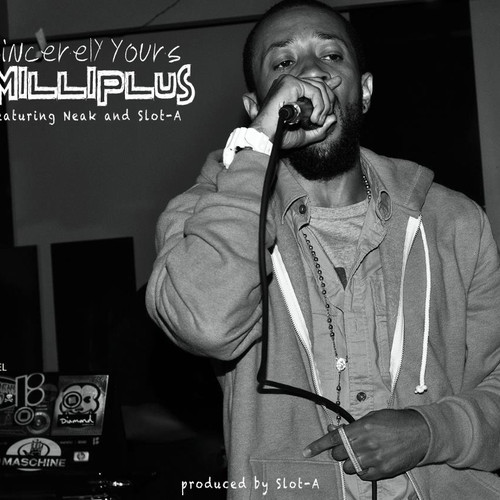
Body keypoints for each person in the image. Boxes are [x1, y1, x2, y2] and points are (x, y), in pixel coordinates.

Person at [146, 0, 500, 498]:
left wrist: (430, 431)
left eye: (331, 56)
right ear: (256, 106)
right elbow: (205, 323)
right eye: (283, 63)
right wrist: (257, 148)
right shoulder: (205, 215)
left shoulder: (454, 222)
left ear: (365, 91)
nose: (310, 72)